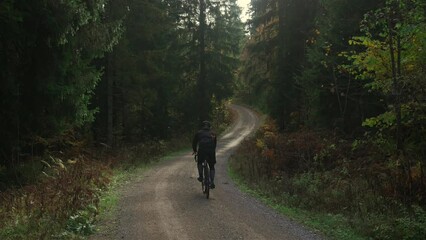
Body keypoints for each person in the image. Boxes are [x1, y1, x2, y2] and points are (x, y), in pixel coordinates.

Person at [192, 120, 217, 189]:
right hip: (211, 151)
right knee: (212, 166)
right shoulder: (213, 133)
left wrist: (195, 150)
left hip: (202, 150)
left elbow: (194, 143)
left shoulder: (199, 133)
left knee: (199, 162)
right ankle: (212, 182)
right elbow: (214, 144)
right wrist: (212, 151)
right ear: (209, 126)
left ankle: (200, 176)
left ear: (202, 126)